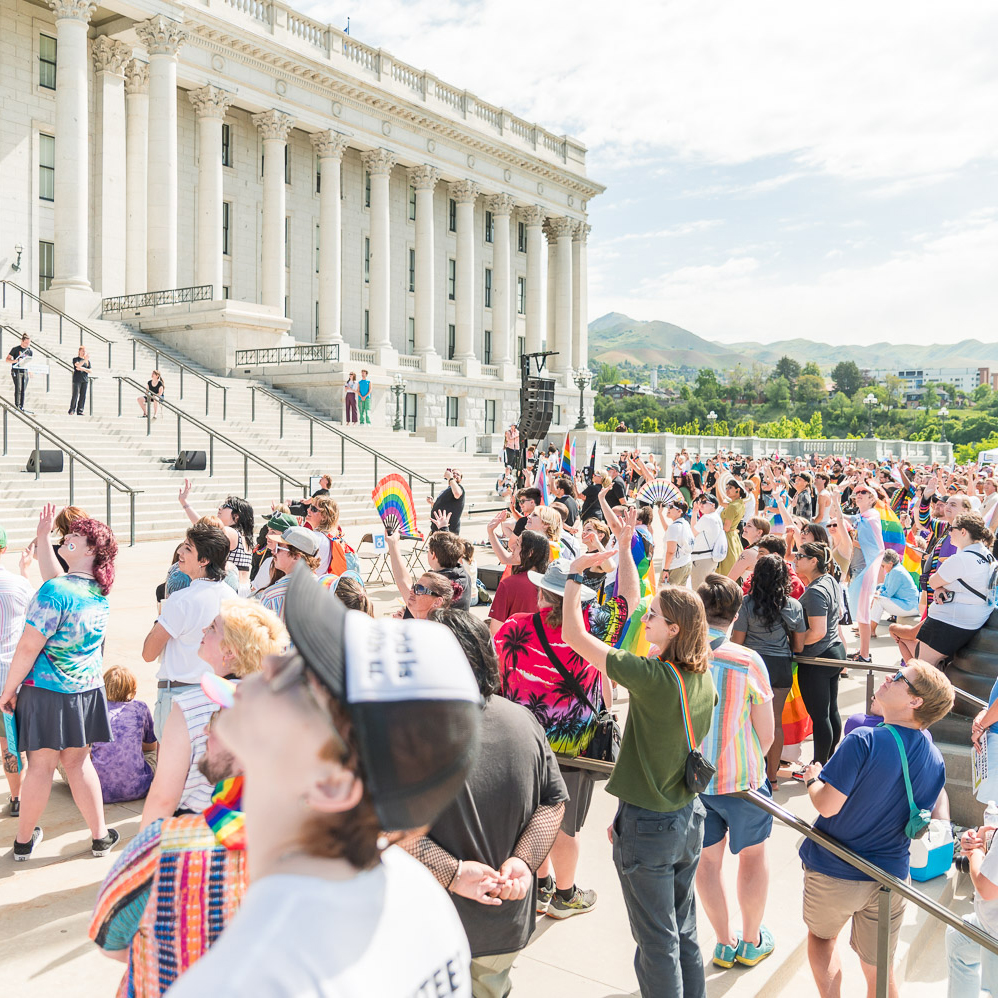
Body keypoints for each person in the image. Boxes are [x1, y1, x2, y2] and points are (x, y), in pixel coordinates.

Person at [164, 566, 480, 997]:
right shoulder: (417, 895)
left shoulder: (247, 978)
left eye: (302, 677)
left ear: (331, 784)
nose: (273, 663)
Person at [560, 527, 715, 998]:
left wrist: (571, 576)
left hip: (650, 824)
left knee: (655, 941)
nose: (646, 617)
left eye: (656, 616)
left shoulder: (652, 677)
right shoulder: (700, 675)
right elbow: (637, 605)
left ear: (674, 629)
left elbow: (574, 635)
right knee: (682, 929)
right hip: (687, 817)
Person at [403, 610, 568, 998]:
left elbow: (383, 828)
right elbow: (554, 802)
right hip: (502, 927)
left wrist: (454, 872)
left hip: (426, 931)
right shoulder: (523, 721)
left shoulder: (405, 732)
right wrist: (523, 863)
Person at [800, 663, 953, 998]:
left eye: (900, 679)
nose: (888, 678)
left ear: (915, 702)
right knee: (880, 967)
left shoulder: (863, 739)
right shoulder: (935, 758)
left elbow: (828, 805)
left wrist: (813, 779)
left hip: (834, 867)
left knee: (823, 939)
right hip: (891, 876)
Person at [494, 554, 630, 922]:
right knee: (564, 824)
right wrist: (622, 545)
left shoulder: (512, 628)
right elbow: (629, 598)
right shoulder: (593, 629)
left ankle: (542, 887)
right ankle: (566, 895)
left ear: (542, 594)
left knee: (533, 816)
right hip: (573, 748)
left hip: (522, 740)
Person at [90, 718, 249, 997]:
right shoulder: (325, 851)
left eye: (222, 723)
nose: (206, 731)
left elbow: (110, 939)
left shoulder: (167, 844)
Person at [0, 509, 119, 861]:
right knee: (79, 764)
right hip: (85, 691)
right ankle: (100, 836)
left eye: (77, 535)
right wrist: (41, 534)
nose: (69, 536)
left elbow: (27, 647)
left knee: (40, 767)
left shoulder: (55, 592)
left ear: (90, 550)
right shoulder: (95, 591)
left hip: (47, 693)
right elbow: (56, 576)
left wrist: (8, 691)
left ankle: (23, 842)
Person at [141, 599, 286, 827]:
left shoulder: (189, 705)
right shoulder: (277, 704)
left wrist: (143, 849)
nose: (203, 629)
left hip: (198, 830)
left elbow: (164, 796)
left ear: (229, 651)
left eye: (212, 628)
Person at [695, 575, 776, 970]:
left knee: (707, 863)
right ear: (736, 611)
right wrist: (751, 762)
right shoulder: (747, 660)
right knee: (753, 858)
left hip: (693, 783)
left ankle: (723, 944)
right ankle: (750, 940)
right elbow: (767, 732)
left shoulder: (673, 654)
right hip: (743, 781)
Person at [141, 520, 230, 737]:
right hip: (218, 695)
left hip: (179, 696)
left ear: (205, 560)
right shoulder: (232, 596)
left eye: (188, 548)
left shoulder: (181, 600)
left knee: (173, 769)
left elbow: (148, 653)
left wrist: (160, 619)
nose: (180, 551)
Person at [731, 554, 806, 783]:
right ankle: (772, 779)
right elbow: (799, 646)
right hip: (780, 667)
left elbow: (737, 642)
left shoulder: (746, 603)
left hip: (753, 667)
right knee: (774, 722)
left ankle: (750, 775)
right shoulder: (793, 605)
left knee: (748, 721)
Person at [898, 512, 996, 666]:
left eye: (952, 528)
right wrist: (940, 588)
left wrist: (939, 587)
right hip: (970, 622)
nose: (949, 532)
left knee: (921, 670)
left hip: (948, 624)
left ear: (963, 532)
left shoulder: (961, 559)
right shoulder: (988, 556)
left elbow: (932, 581)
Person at [0, 525, 34, 815]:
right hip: (11, 677)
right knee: (10, 742)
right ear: (3, 549)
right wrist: (25, 571)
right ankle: (17, 798)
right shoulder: (19, 586)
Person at [90, 666, 157, 804]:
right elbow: (152, 746)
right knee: (158, 753)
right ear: (133, 688)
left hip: (97, 791)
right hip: (137, 789)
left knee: (71, 759)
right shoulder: (140, 707)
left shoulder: (94, 708)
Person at [946, 823, 998, 998]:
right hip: (990, 925)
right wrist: (984, 843)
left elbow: (986, 887)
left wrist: (975, 853)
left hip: (995, 935)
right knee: (956, 938)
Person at [178, 482, 255, 587]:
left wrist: (184, 503)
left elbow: (203, 528)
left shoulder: (231, 533)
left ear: (236, 516)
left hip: (232, 587)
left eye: (225, 506)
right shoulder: (244, 537)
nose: (220, 508)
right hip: (244, 588)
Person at [387, 527, 473, 612]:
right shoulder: (463, 575)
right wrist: (444, 529)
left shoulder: (435, 585)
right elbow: (449, 550)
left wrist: (393, 544)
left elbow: (405, 585)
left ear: (434, 555)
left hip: (438, 625)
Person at [486, 530, 550, 636]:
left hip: (515, 647)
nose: (512, 548)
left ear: (530, 553)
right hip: (544, 648)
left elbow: (496, 630)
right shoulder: (552, 584)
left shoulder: (508, 584)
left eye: (518, 544)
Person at [257, 526, 321, 620]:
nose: (273, 551)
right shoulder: (324, 588)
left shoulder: (272, 596)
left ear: (296, 557)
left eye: (278, 547)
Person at [869, 548, 920, 637]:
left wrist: (878, 594)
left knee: (879, 600)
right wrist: (879, 591)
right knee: (878, 594)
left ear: (890, 563)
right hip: (905, 604)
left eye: (883, 565)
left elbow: (888, 593)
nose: (882, 568)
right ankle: (868, 626)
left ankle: (870, 630)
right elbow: (883, 586)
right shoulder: (894, 569)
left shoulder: (897, 572)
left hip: (909, 606)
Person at [691, 492, 726, 589]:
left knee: (698, 592)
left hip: (702, 559)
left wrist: (694, 512)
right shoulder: (716, 517)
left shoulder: (707, 518)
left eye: (704, 502)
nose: (700, 504)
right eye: (700, 502)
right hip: (710, 558)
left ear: (712, 505)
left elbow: (693, 532)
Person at [726, 516, 771, 583]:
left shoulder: (748, 553)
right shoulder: (767, 550)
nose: (744, 528)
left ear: (759, 532)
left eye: (749, 526)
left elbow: (729, 581)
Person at [659, 499, 694, 587]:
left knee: (663, 596)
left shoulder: (674, 527)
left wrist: (665, 569)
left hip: (674, 567)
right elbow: (669, 532)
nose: (668, 509)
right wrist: (660, 514)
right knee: (679, 595)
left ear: (679, 511)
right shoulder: (684, 523)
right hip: (685, 564)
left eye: (671, 507)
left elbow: (671, 551)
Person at [716, 478, 746, 576]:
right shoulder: (740, 503)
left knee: (726, 567)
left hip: (727, 536)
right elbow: (721, 503)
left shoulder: (733, 506)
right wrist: (717, 486)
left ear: (738, 490)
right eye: (726, 488)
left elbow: (726, 528)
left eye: (730, 488)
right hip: (733, 536)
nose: (727, 490)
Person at [429, 468, 466, 536]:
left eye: (458, 474)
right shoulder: (445, 491)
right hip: (438, 527)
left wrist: (451, 478)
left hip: (449, 529)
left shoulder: (459, 488)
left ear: (460, 479)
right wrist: (432, 503)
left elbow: (457, 494)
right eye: (453, 473)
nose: (455, 475)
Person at [5, 332, 32, 410]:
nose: (27, 344)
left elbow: (29, 361)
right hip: (16, 371)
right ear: (22, 341)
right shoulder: (15, 349)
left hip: (25, 371)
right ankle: (17, 405)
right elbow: (7, 359)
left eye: (28, 343)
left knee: (23, 389)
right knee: (18, 388)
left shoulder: (29, 351)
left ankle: (22, 406)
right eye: (26, 342)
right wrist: (16, 361)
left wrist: (30, 371)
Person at [69, 344, 91, 415]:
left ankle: (80, 410)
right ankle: (72, 409)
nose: (84, 352)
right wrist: (84, 361)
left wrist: (82, 368)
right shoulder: (76, 359)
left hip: (84, 380)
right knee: (75, 395)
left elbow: (90, 370)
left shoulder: (87, 361)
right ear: (79, 351)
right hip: (77, 379)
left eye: (84, 351)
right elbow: (77, 365)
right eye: (82, 351)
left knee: (83, 396)